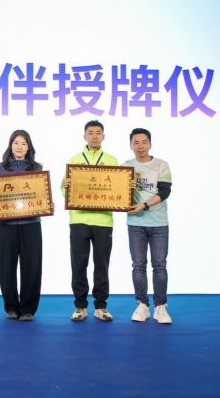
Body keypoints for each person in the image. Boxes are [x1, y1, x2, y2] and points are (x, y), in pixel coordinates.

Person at [62, 120, 119, 322]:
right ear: (84, 136)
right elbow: (65, 191)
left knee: (101, 265)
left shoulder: (111, 160)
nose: (94, 136)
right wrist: (66, 185)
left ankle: (101, 307)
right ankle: (80, 306)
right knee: (78, 264)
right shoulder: (75, 159)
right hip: (79, 219)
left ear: (103, 136)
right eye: (90, 133)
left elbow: (118, 189)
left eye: (98, 133)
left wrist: (126, 188)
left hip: (104, 221)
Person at [0, 130, 44, 321]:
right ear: (10, 146)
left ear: (28, 147)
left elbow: (41, 195)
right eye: (16, 143)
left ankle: (28, 308)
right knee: (7, 266)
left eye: (23, 143)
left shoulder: (37, 168)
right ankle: (11, 307)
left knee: (32, 266)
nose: (19, 147)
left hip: (31, 224)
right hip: (6, 225)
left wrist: (46, 203)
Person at [124, 128, 173, 324]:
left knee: (159, 265)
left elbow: (165, 191)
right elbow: (117, 194)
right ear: (131, 145)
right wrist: (126, 189)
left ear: (150, 144)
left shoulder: (161, 165)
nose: (140, 146)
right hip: (135, 223)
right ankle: (142, 305)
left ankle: (160, 307)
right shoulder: (125, 167)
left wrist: (144, 205)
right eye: (136, 142)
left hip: (159, 222)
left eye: (144, 142)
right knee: (138, 266)